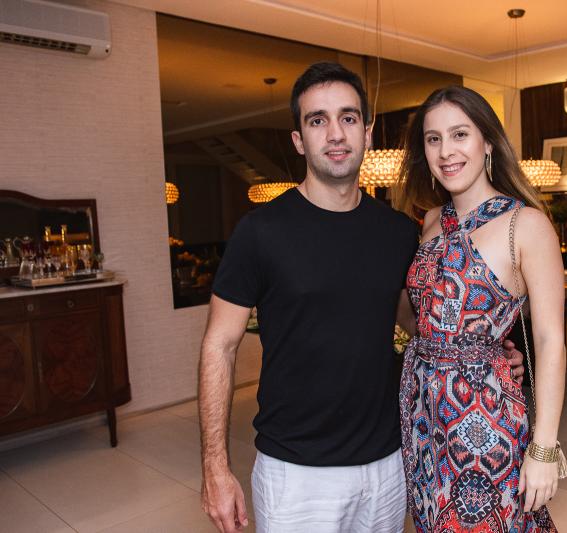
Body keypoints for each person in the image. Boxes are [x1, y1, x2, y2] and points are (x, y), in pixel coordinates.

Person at [197, 62, 527, 533]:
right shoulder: (260, 232)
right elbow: (219, 345)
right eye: (318, 120)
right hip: (297, 472)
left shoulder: (398, 232)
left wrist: (488, 355)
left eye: (348, 118)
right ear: (299, 140)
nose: (335, 133)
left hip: (387, 465)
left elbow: (423, 321)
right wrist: (215, 466)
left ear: (367, 133)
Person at [393, 86, 566, 532]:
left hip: (484, 420)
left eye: (459, 134)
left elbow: (550, 340)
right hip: (423, 415)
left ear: (487, 141)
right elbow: (420, 319)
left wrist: (543, 449)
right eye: (433, 139)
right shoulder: (430, 221)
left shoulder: (525, 225)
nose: (446, 152)